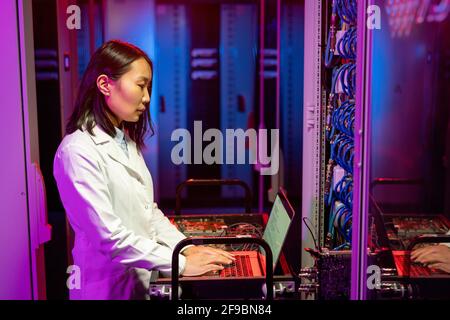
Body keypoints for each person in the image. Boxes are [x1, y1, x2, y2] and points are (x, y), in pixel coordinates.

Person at [53, 40, 234, 300]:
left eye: (148, 87)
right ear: (105, 85)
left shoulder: (123, 140)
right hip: (107, 288)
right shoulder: (77, 151)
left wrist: (185, 248)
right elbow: (109, 238)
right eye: (141, 85)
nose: (147, 98)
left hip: (138, 279)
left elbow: (148, 212)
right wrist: (180, 264)